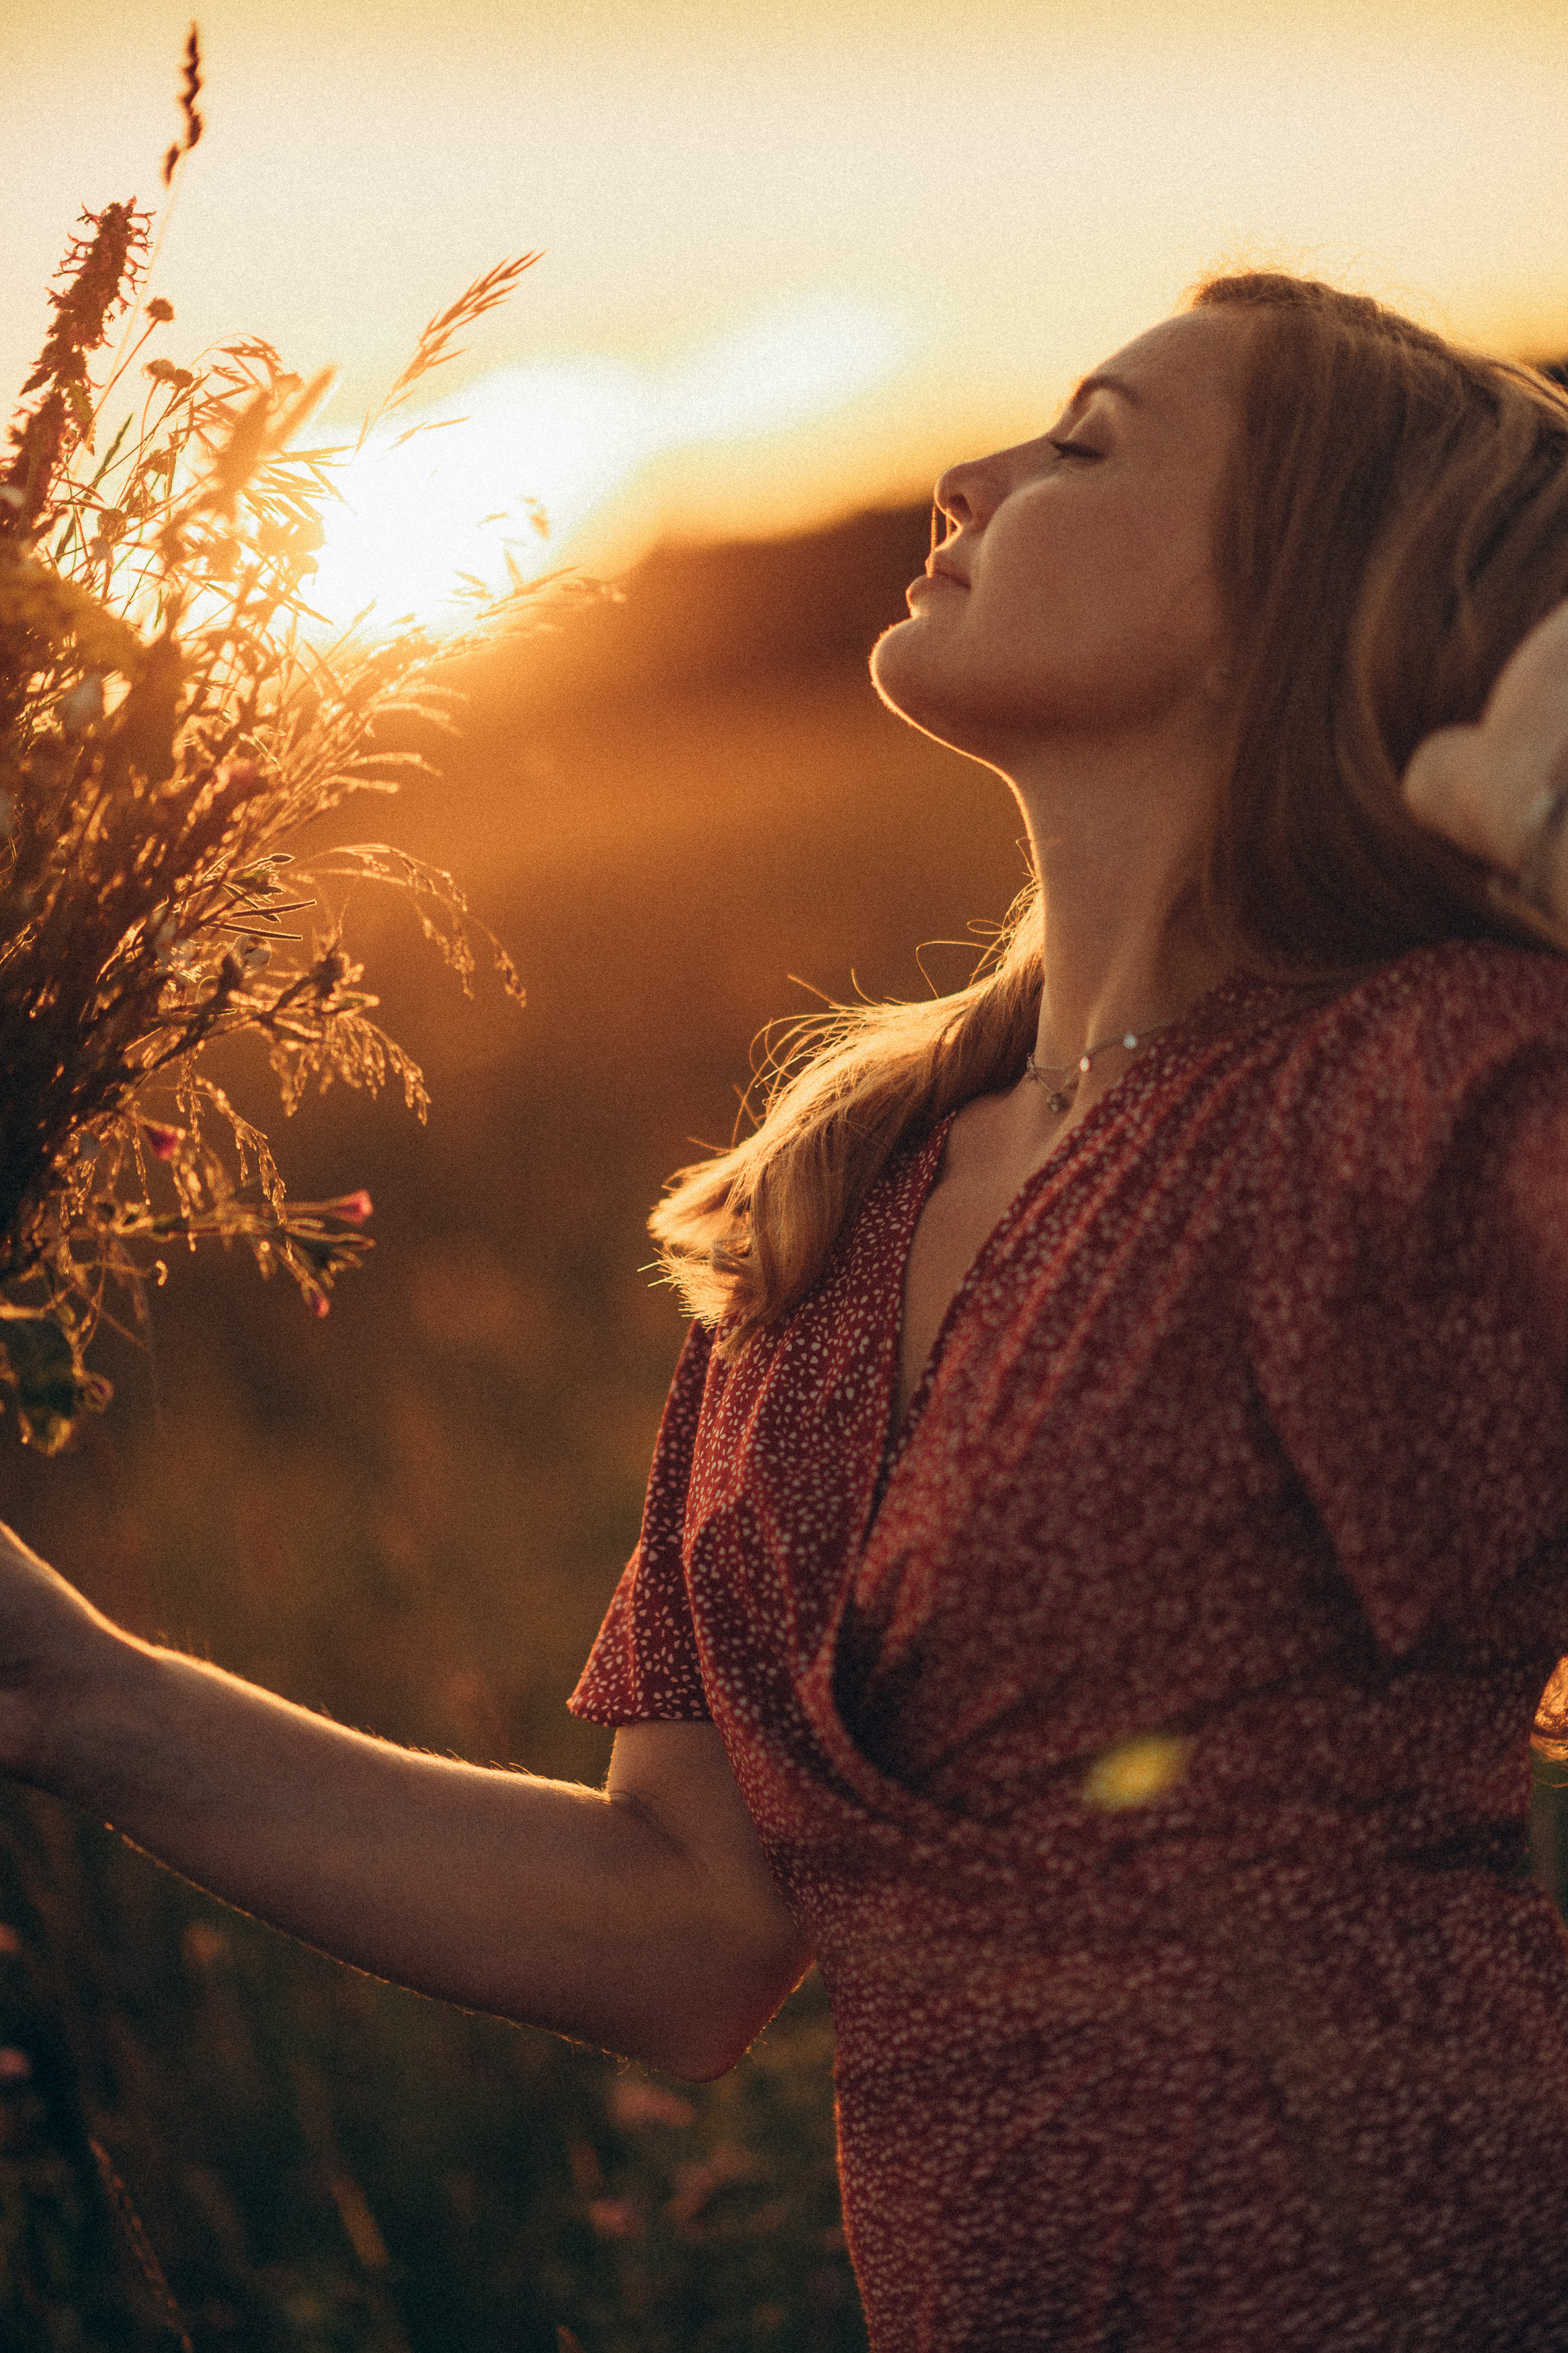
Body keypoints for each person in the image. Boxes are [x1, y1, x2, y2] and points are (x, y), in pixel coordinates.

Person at [4, 270, 1568, 2351]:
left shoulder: (1420, 1090)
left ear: (1303, 593)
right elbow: (680, 1930)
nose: (969, 473)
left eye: (1087, 443)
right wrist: (71, 1690)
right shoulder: (828, 1206)